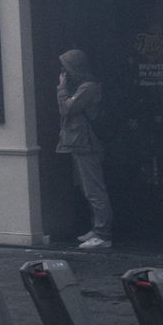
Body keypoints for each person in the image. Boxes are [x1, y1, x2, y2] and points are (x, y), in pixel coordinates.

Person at [56, 48, 113, 249]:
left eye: (66, 68)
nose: (63, 73)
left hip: (87, 143)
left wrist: (61, 88)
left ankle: (103, 234)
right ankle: (96, 228)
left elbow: (66, 108)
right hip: (79, 143)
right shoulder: (82, 87)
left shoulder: (88, 88)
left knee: (94, 190)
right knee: (87, 189)